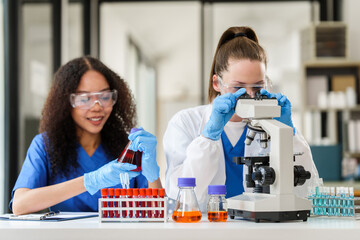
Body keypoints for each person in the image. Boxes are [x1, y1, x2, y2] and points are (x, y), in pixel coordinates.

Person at [164, 26, 320, 211]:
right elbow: (179, 193)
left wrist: (288, 134)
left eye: (257, 87)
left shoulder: (274, 125)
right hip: (207, 227)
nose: (249, 95)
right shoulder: (185, 122)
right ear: (217, 83)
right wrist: (208, 138)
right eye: (238, 87)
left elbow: (308, 189)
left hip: (260, 226)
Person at [10, 56, 161, 215]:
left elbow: (155, 211)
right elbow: (20, 205)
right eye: (84, 98)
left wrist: (152, 175)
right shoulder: (46, 145)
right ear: (66, 102)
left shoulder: (130, 145)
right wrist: (91, 181)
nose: (97, 107)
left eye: (104, 97)